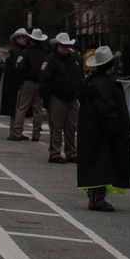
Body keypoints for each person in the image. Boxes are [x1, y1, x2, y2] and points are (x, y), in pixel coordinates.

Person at [76, 46, 130, 211]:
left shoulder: (93, 81)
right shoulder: (102, 83)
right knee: (99, 165)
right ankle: (96, 199)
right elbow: (106, 109)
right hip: (100, 132)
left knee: (97, 163)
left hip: (93, 130)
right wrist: (114, 130)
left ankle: (97, 198)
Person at [39, 32, 84, 163]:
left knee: (71, 127)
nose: (64, 48)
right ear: (57, 46)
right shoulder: (51, 61)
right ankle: (55, 153)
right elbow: (44, 81)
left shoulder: (74, 60)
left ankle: (71, 152)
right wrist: (46, 99)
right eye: (62, 45)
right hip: (57, 98)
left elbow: (80, 78)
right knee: (56, 127)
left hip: (72, 98)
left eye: (66, 45)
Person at [9, 28, 48, 141]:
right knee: (38, 110)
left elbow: (19, 67)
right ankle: (36, 133)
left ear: (31, 39)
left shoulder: (26, 52)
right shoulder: (45, 53)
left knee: (21, 108)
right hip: (40, 83)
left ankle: (17, 132)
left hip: (28, 83)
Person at [1, 28, 29, 118]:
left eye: (26, 38)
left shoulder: (12, 51)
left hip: (11, 82)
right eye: (22, 37)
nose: (25, 39)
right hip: (16, 82)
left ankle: (14, 130)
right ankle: (15, 130)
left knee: (14, 108)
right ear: (17, 39)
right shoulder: (19, 52)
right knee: (17, 107)